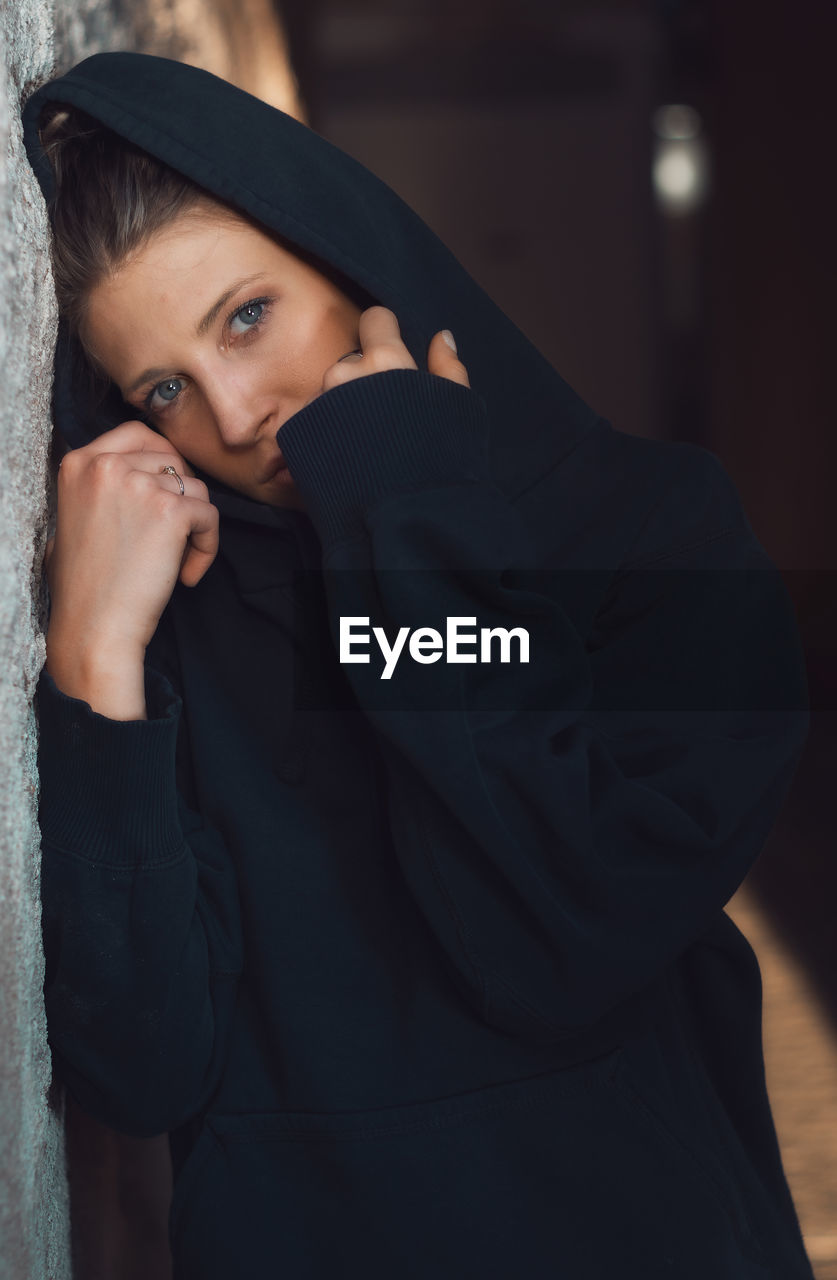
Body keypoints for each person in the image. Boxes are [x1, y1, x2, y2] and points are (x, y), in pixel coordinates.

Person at [22, 51, 814, 1279]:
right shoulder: (174, 627)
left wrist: (407, 524)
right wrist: (95, 656)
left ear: (352, 260)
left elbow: (562, 931)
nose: (234, 417)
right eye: (166, 387)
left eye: (248, 316)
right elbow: (138, 1062)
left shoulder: (657, 538)